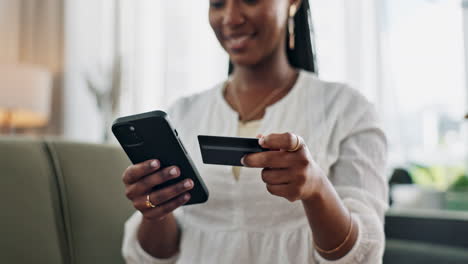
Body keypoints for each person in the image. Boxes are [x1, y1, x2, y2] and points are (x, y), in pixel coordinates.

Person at [121, 0, 388, 263]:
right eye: (217, 4)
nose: (231, 18)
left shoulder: (348, 109)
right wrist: (155, 210)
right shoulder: (183, 112)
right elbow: (157, 256)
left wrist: (316, 189)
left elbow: (362, 255)